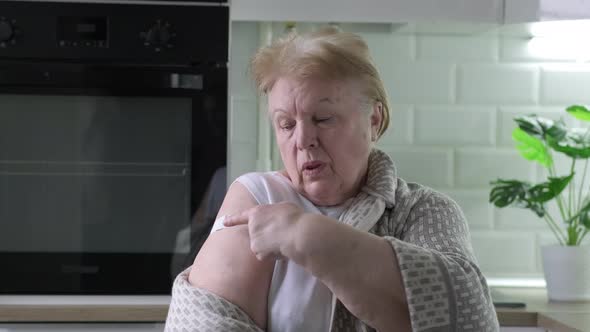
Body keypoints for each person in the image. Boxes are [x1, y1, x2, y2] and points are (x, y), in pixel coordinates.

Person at [165, 27, 499, 332]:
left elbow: (468, 317)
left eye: (323, 118)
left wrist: (305, 235)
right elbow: (202, 324)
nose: (303, 139)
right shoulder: (257, 198)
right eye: (286, 124)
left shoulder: (423, 211)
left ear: (375, 119)